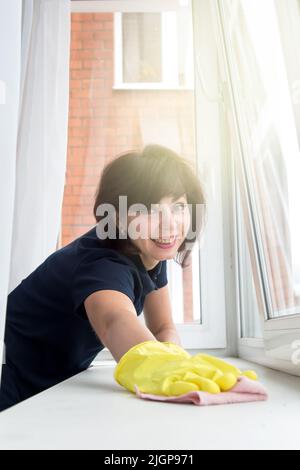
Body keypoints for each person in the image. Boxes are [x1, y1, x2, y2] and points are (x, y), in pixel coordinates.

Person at [0, 144, 206, 412]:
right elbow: (114, 320)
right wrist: (164, 372)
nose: (168, 224)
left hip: (49, 383)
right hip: (11, 381)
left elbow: (163, 327)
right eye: (150, 210)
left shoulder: (148, 249)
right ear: (118, 217)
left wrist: (177, 366)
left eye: (178, 206)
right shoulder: (102, 264)